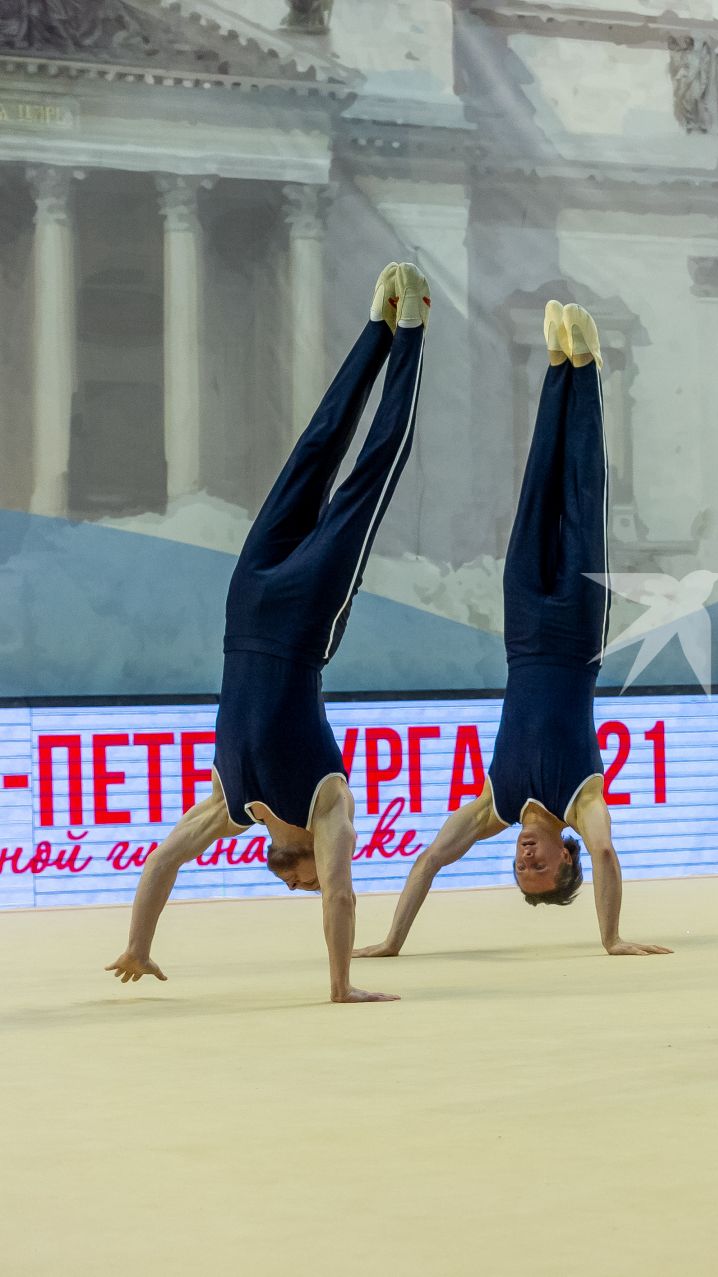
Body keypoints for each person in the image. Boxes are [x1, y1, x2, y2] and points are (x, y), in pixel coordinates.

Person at [104, 263, 432, 1003]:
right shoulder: (229, 801)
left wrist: (342, 985)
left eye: (313, 870)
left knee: (368, 472)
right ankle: (379, 323)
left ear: (302, 861)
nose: (332, 866)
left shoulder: (327, 805)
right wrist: (136, 944)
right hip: (245, 604)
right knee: (315, 453)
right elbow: (160, 862)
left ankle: (404, 329)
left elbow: (339, 897)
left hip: (302, 613)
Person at [354, 303, 671, 960]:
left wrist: (390, 940)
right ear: (565, 854)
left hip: (525, 629)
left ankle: (557, 364)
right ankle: (587, 373)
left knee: (534, 494)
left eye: (520, 866)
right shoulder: (584, 801)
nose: (525, 855)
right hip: (579, 633)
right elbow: (608, 852)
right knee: (581, 496)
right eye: (540, 864)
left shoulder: (492, 805)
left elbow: (428, 863)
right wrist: (609, 937)